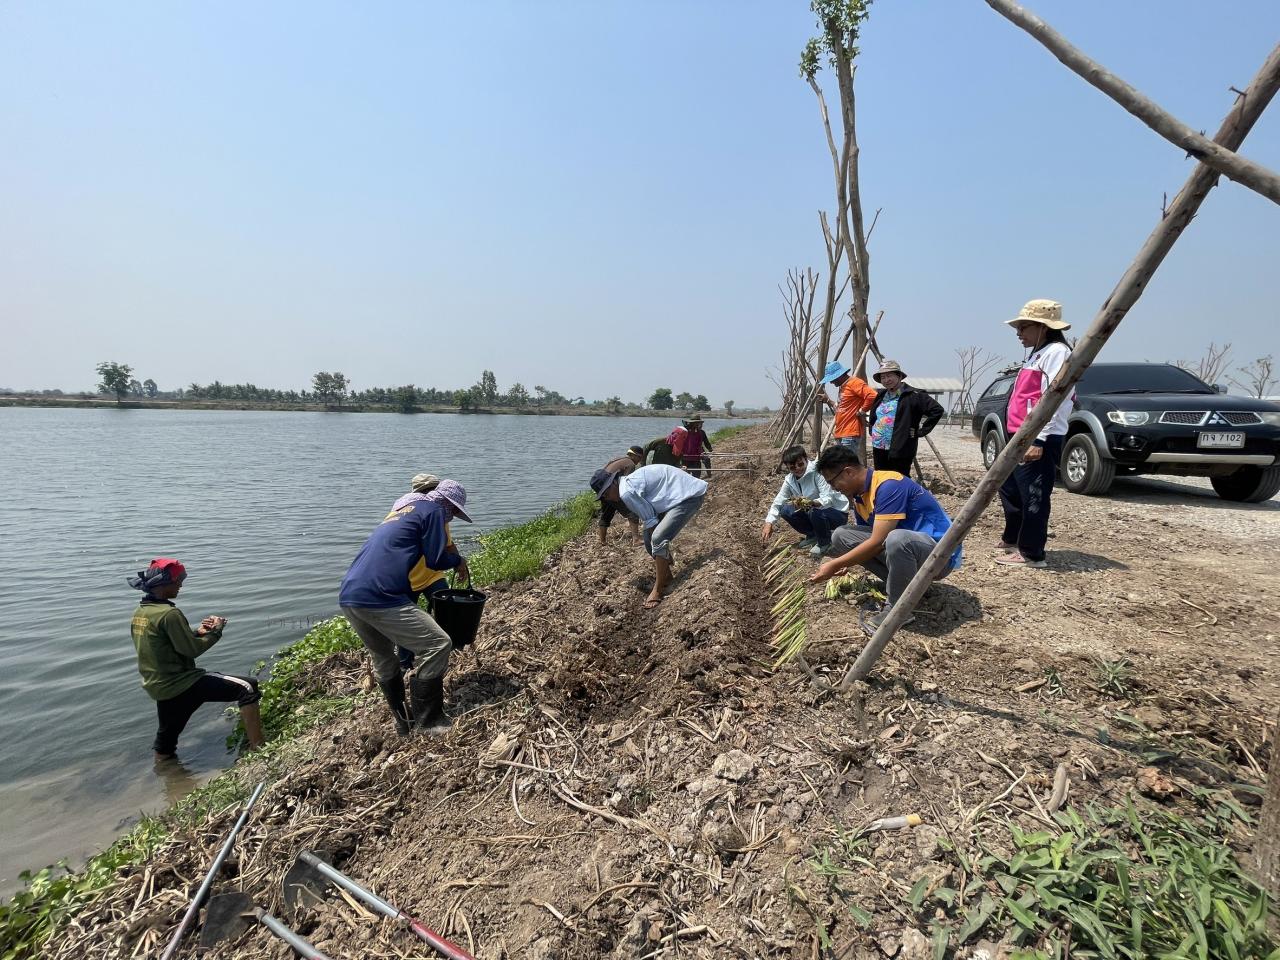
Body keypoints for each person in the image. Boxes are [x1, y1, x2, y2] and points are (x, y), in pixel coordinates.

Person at [339, 479, 471, 736]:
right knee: (438, 643)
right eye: (453, 512)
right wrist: (458, 559)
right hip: (381, 595)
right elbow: (434, 560)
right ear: (447, 504)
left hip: (350, 594)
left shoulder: (402, 511)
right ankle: (429, 721)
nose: (452, 518)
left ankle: (404, 722)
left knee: (384, 658)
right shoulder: (434, 511)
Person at [810, 446, 963, 634]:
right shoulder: (860, 496)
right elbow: (869, 542)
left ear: (848, 472)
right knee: (841, 535)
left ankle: (899, 609)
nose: (834, 488)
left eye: (832, 482)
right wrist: (847, 562)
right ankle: (908, 588)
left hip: (939, 556)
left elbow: (876, 542)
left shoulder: (888, 485)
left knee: (897, 539)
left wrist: (834, 564)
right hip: (910, 553)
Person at [128, 557, 265, 761]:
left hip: (160, 686)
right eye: (177, 581)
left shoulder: (141, 612)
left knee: (165, 745)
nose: (180, 585)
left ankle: (167, 776)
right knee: (247, 687)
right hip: (183, 683)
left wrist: (198, 632)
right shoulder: (169, 613)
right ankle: (259, 749)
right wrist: (216, 632)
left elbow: (164, 642)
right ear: (163, 585)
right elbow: (191, 650)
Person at [997, 299, 1073, 569]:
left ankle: (1032, 552)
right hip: (1019, 433)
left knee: (1034, 494)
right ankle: (1014, 537)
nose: (1019, 333)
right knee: (1009, 487)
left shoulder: (1058, 353)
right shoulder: (1037, 353)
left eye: (1023, 327)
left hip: (1038, 436)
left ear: (1042, 327)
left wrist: (1039, 438)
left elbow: (1056, 398)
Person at [591, 463, 707, 608]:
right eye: (604, 497)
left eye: (607, 493)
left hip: (689, 496)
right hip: (672, 496)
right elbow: (649, 517)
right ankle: (667, 580)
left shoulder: (626, 493)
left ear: (613, 483)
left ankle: (657, 590)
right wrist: (663, 551)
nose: (608, 498)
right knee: (648, 541)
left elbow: (652, 524)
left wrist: (663, 547)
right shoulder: (626, 485)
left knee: (657, 538)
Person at [392, 473, 457, 671]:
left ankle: (443, 649)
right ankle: (405, 663)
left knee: (447, 611)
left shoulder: (439, 512)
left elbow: (448, 544)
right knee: (406, 626)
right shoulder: (407, 511)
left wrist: (460, 563)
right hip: (409, 578)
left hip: (432, 576)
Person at [761, 445, 850, 558]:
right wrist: (769, 523)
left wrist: (812, 503)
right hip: (814, 513)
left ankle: (824, 542)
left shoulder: (817, 472)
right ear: (788, 468)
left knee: (814, 511)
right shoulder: (790, 480)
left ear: (806, 459)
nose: (798, 468)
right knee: (785, 510)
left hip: (836, 514)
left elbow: (828, 498)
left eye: (801, 464)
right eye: (793, 467)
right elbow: (778, 501)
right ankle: (813, 535)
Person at [868, 360, 945, 475]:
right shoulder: (881, 395)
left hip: (900, 447)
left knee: (899, 479)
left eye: (889, 376)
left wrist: (921, 431)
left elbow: (937, 410)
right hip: (879, 445)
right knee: (881, 478)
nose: (886, 380)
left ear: (899, 376)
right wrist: (872, 430)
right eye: (883, 377)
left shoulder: (914, 395)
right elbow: (874, 415)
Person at [818, 360, 878, 448]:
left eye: (832, 379)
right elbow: (841, 408)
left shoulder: (854, 383)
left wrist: (861, 411)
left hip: (850, 433)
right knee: (842, 461)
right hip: (841, 432)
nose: (831, 382)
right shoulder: (843, 387)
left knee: (847, 461)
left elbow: (872, 396)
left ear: (840, 375)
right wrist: (828, 400)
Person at [597, 446, 645, 545]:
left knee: (606, 514)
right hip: (612, 492)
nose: (639, 461)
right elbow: (626, 482)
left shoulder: (617, 459)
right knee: (632, 513)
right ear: (633, 455)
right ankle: (636, 539)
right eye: (639, 458)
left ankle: (602, 541)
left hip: (602, 490)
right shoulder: (630, 464)